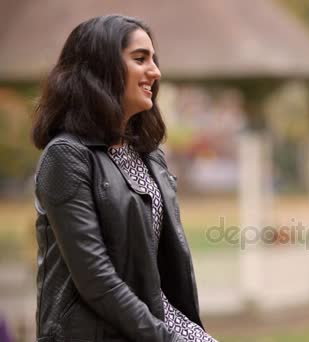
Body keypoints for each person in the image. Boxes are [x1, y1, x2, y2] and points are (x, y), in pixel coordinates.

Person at [32, 15, 216, 341]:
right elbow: (96, 279)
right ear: (100, 67)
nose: (155, 72)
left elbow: (159, 271)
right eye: (140, 59)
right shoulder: (66, 156)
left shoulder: (147, 154)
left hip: (154, 323)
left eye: (154, 60)